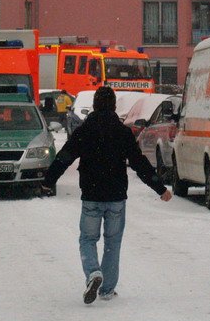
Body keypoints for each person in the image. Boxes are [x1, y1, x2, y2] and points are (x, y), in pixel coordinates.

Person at [41, 86, 172, 305]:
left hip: (91, 194)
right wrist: (161, 189)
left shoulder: (84, 130)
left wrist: (48, 181)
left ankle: (93, 273)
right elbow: (139, 163)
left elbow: (65, 157)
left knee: (87, 239)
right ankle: (107, 289)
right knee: (113, 242)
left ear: (94, 105)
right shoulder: (122, 132)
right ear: (113, 106)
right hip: (116, 196)